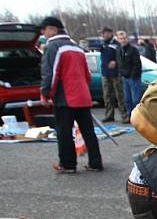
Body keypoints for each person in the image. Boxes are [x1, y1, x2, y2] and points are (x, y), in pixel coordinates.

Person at [39, 16, 103, 174]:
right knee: (89, 132)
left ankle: (68, 164)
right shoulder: (76, 47)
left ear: (53, 29)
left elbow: (51, 73)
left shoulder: (53, 47)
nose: (43, 33)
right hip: (83, 96)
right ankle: (95, 163)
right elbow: (87, 75)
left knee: (64, 132)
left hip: (65, 97)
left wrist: (45, 93)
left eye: (44, 29)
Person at [98, 26, 128, 123]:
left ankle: (124, 115)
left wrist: (115, 62)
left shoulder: (116, 44)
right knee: (107, 95)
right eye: (103, 33)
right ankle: (109, 115)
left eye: (107, 33)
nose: (105, 35)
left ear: (111, 33)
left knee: (120, 95)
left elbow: (122, 57)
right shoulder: (102, 45)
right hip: (105, 73)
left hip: (116, 74)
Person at [116, 30, 145, 118]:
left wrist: (133, 75)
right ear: (118, 39)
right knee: (127, 99)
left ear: (127, 39)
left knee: (135, 100)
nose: (123, 40)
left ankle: (138, 116)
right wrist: (121, 73)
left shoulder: (133, 50)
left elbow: (137, 64)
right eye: (121, 39)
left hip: (134, 78)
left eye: (124, 38)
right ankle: (130, 116)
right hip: (124, 78)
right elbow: (119, 62)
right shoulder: (118, 50)